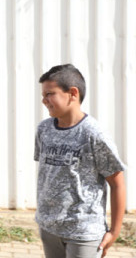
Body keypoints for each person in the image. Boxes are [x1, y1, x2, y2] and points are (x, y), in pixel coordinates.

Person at [35, 64, 126, 258]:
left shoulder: (94, 134)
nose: (44, 100)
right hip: (49, 227)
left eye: (50, 94)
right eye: (43, 95)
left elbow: (117, 183)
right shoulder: (44, 129)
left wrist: (114, 231)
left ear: (73, 93)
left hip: (84, 232)